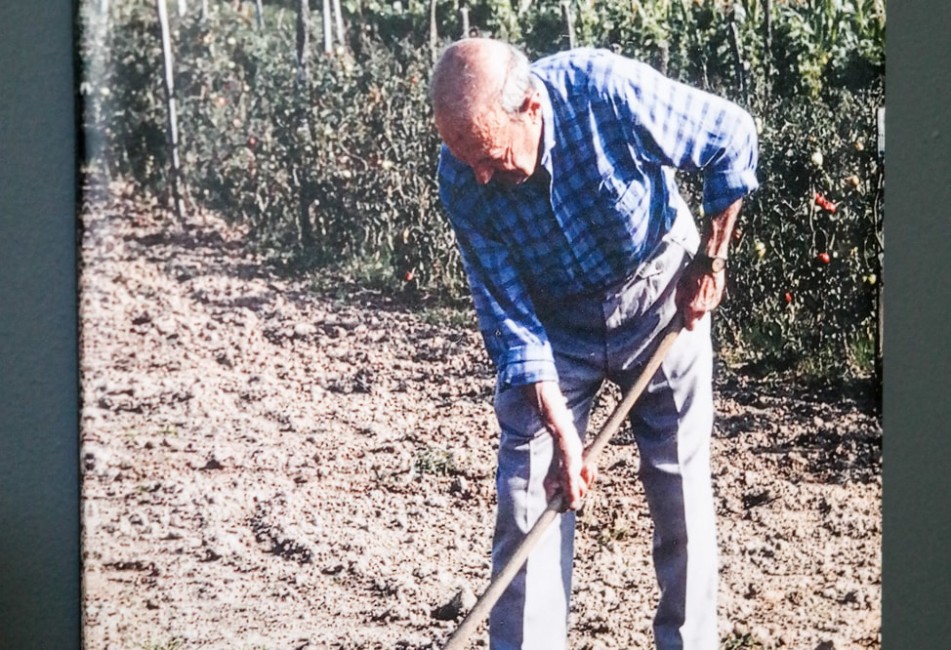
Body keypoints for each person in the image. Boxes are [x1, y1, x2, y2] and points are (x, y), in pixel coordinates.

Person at [429, 37, 758, 650]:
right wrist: (560, 429)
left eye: (490, 156)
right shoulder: (462, 177)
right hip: (555, 328)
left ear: (531, 106)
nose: (479, 174)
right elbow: (510, 318)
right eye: (464, 156)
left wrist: (710, 261)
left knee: (679, 488)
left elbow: (731, 136)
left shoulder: (604, 91)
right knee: (530, 494)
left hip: (660, 295)